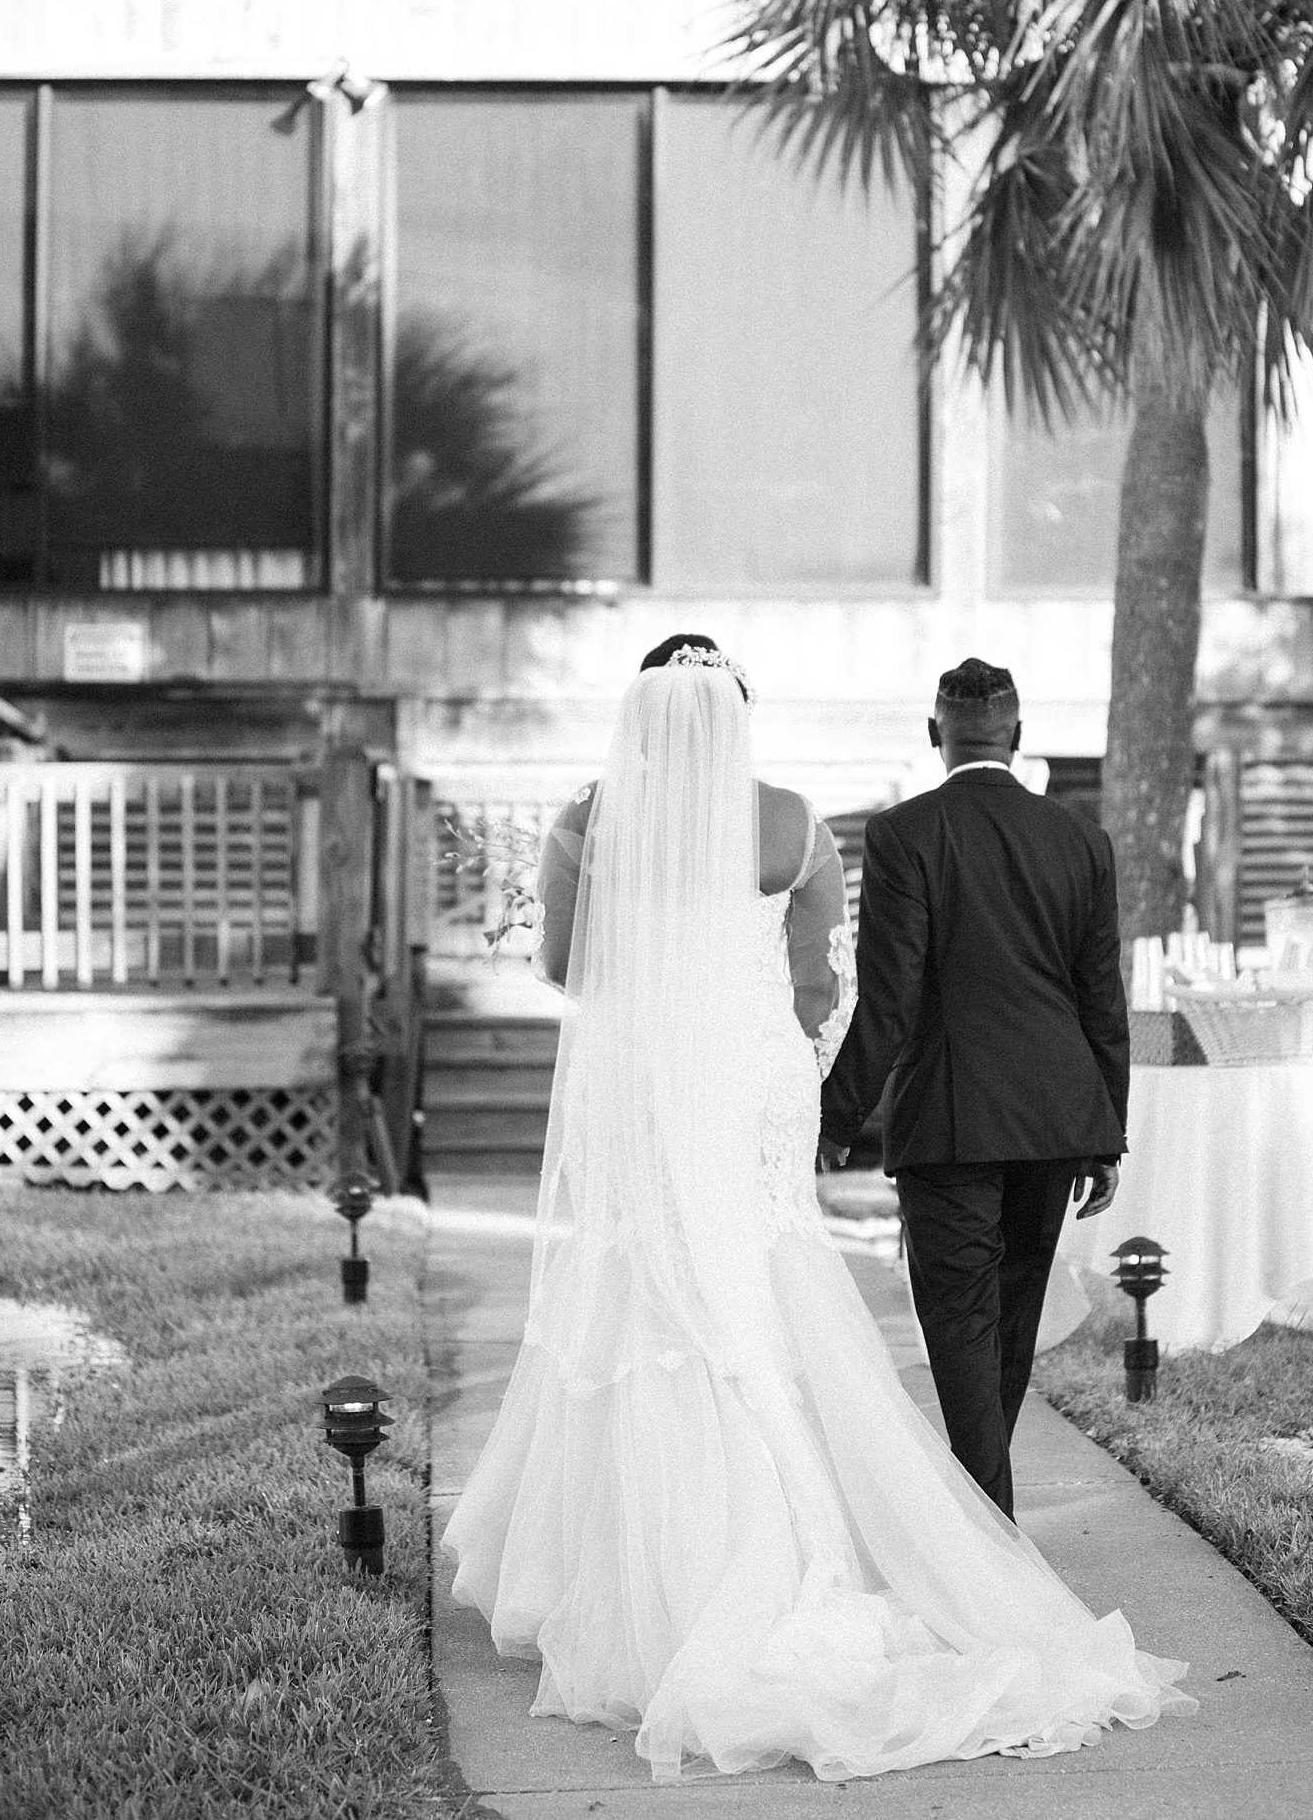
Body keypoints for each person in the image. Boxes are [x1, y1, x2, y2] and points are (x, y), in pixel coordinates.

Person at [442, 641, 1190, 1784]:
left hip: (651, 1082)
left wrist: (661, 973)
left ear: (641, 718)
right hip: (759, 1087)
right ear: (736, 717)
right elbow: (821, 985)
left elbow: (569, 967)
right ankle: (920, 1533)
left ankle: (655, 1571)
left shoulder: (589, 818)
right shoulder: (799, 821)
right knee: (766, 1290)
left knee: (653, 1286)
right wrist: (811, 1068)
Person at [821, 659, 1129, 1521]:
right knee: (1008, 1322)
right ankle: (986, 1523)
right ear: (1019, 737)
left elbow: (889, 999)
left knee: (960, 1326)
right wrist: (1105, 1130)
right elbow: (1100, 996)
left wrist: (834, 1117)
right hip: (1055, 1119)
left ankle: (989, 1538)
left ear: (936, 736)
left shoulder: (901, 834)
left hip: (952, 1122)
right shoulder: (1081, 840)